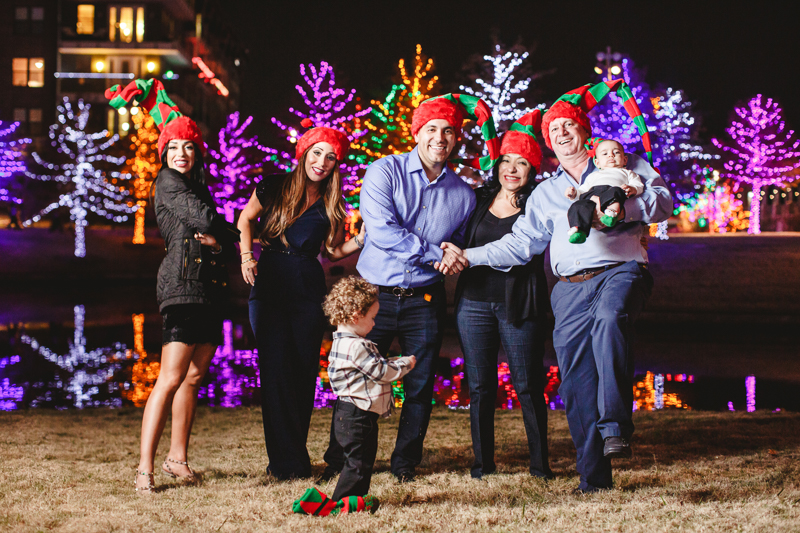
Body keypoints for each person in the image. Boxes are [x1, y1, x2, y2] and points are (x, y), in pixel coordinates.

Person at [443, 80, 672, 492]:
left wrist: (621, 211)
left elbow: (663, 201)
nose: (562, 133)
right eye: (553, 130)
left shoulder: (620, 163)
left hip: (619, 271)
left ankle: (616, 423)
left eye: (568, 125)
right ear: (548, 142)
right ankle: (594, 480)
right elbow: (519, 244)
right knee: (576, 380)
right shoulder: (547, 193)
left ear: (584, 130)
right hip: (568, 288)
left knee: (610, 318)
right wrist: (468, 256)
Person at [320, 94, 499, 483]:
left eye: (449, 131)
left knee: (419, 384)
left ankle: (404, 464)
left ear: (457, 139)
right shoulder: (384, 171)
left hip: (426, 300)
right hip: (373, 298)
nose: (440, 138)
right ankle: (339, 460)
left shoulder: (463, 195)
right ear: (417, 132)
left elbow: (457, 245)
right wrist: (436, 253)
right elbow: (382, 233)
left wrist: (452, 254)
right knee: (355, 379)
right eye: (432, 129)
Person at [105, 79, 239, 493]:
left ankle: (176, 459)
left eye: (189, 146)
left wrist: (222, 243)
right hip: (181, 289)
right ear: (164, 151)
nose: (181, 153)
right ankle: (144, 468)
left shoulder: (199, 185)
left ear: (197, 151)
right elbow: (203, 221)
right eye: (174, 147)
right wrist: (232, 235)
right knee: (169, 377)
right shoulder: (167, 182)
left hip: (209, 290)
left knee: (195, 377)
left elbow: (215, 240)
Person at [237, 124, 364, 480]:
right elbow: (245, 219)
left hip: (308, 286)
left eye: (330, 156)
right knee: (276, 373)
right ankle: (286, 464)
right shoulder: (273, 184)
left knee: (303, 375)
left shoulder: (332, 202)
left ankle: (292, 456)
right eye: (317, 153)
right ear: (304, 153)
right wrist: (247, 257)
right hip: (270, 283)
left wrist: (360, 241)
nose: (322, 162)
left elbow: (333, 250)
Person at [453, 110, 552, 480]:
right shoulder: (478, 198)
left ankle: (540, 467)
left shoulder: (538, 204)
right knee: (480, 387)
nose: (511, 168)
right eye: (506, 160)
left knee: (528, 386)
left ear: (532, 169)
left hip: (519, 305)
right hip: (473, 305)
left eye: (522, 162)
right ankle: (482, 467)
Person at [323, 276, 416, 501]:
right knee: (358, 462)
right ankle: (342, 501)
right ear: (356, 316)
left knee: (362, 460)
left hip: (350, 413)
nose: (375, 324)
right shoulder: (357, 346)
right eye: (372, 318)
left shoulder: (340, 342)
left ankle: (357, 499)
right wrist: (406, 363)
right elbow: (382, 372)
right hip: (357, 415)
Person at [565, 139, 644, 243]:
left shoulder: (627, 173)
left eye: (616, 152)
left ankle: (611, 214)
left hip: (611, 192)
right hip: (592, 193)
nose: (610, 156)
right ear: (597, 163)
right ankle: (578, 230)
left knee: (617, 191)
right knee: (577, 206)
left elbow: (638, 185)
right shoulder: (593, 176)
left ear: (625, 160)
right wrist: (574, 194)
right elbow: (583, 190)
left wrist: (633, 189)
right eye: (605, 154)